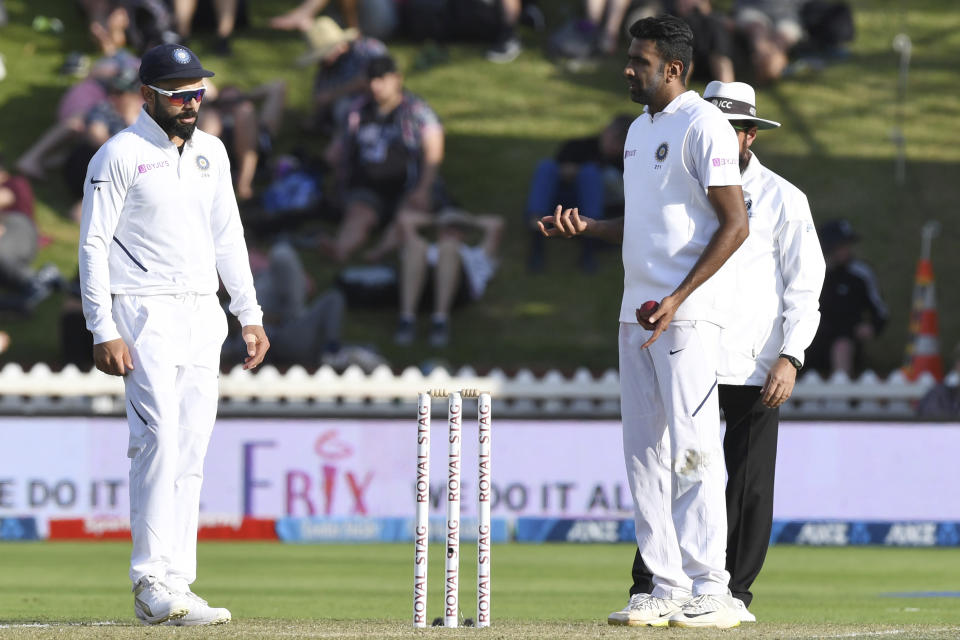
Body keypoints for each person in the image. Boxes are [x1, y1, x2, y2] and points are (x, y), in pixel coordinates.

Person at [538, 15, 749, 628]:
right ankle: (665, 584)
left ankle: (714, 587)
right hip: (636, 314)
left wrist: (679, 298)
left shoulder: (704, 124)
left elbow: (735, 224)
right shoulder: (637, 130)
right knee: (643, 454)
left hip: (684, 317)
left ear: (674, 69)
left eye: (639, 60)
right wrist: (589, 228)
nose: (628, 68)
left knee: (694, 449)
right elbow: (648, 225)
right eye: (629, 57)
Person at [616, 80, 825, 625]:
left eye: (733, 129)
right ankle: (659, 584)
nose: (720, 137)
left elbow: (806, 286)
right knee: (675, 464)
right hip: (689, 343)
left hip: (754, 359)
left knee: (747, 483)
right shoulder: (684, 184)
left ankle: (730, 593)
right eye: (715, 125)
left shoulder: (784, 197)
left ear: (751, 135)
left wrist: (792, 354)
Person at [77, 43, 269, 626]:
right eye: (179, 94)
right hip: (143, 311)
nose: (192, 102)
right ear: (147, 96)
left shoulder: (211, 152)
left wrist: (249, 312)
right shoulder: (119, 154)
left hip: (201, 313)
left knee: (190, 446)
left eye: (197, 92)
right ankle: (148, 580)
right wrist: (101, 325)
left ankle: (178, 582)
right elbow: (92, 244)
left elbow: (228, 235)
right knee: (156, 439)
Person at [324, 55, 444, 263]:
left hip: (408, 186)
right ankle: (341, 248)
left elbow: (434, 152)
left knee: (406, 214)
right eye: (371, 80)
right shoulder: (357, 111)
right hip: (368, 187)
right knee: (359, 213)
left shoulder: (416, 110)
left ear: (397, 78)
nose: (375, 86)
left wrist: (423, 189)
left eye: (381, 79)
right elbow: (339, 148)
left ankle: (381, 251)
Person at [524, 113, 632, 273]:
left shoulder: (625, 162)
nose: (613, 146)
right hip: (562, 201)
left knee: (590, 174)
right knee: (546, 167)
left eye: (620, 143)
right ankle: (537, 233)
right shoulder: (578, 146)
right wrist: (570, 173)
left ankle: (589, 247)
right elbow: (557, 171)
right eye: (613, 138)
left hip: (598, 209)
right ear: (605, 131)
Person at [392, 207, 502, 347]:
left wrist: (463, 219)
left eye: (457, 228)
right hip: (422, 285)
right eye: (447, 227)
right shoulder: (427, 249)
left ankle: (440, 321)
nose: (451, 230)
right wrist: (442, 218)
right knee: (415, 246)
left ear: (464, 234)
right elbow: (404, 218)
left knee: (449, 248)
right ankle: (406, 319)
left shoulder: (476, 254)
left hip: (460, 292)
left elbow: (496, 224)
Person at [806, 219, 887, 377]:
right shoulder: (809, 272)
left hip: (846, 339)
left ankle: (840, 395)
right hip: (811, 339)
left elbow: (881, 311)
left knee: (841, 347)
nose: (846, 250)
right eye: (841, 246)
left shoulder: (859, 274)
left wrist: (872, 327)